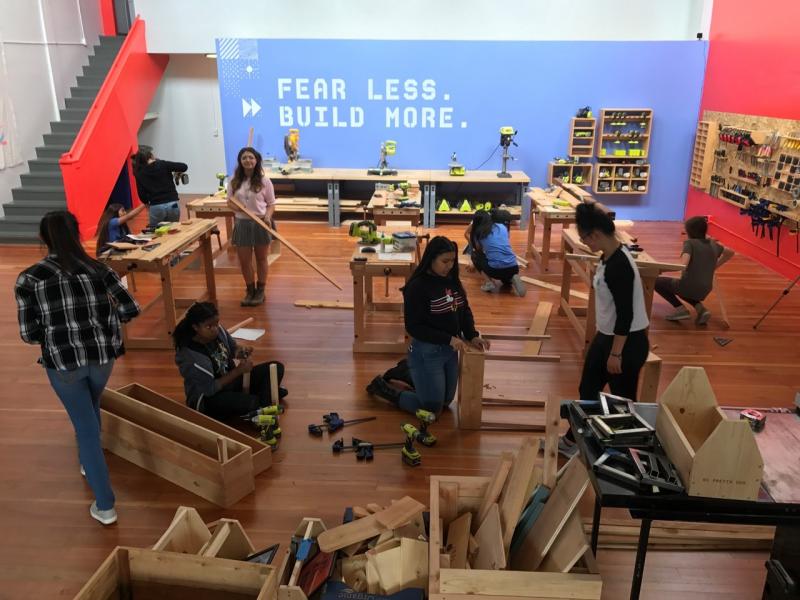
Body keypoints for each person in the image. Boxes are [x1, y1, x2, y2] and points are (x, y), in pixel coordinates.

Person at [15, 211, 141, 526]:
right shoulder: (101, 269)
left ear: (43, 239)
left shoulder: (29, 278)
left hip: (64, 363)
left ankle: (106, 505)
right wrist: (103, 321)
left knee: (85, 428)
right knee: (90, 410)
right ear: (76, 234)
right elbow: (130, 308)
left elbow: (29, 335)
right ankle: (88, 462)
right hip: (102, 358)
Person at [559, 202, 651, 456]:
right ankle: (573, 441)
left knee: (622, 404)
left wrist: (616, 354)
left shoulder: (620, 266)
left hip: (625, 344)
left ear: (596, 235)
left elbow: (626, 315)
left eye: (585, 239)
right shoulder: (609, 255)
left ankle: (628, 454)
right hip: (607, 338)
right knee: (588, 391)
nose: (585, 244)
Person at [367, 236, 490, 415]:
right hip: (426, 351)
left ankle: (408, 372)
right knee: (431, 408)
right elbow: (414, 327)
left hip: (449, 351)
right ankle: (384, 389)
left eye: (452, 260)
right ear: (431, 259)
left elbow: (463, 310)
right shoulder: (417, 287)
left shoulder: (451, 279)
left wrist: (472, 335)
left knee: (446, 402)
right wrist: (448, 338)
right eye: (444, 261)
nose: (449, 266)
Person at [174, 302, 286, 419]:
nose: (215, 329)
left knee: (277, 367)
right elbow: (210, 389)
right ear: (195, 327)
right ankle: (263, 402)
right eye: (209, 327)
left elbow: (233, 349)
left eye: (216, 323)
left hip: (232, 383)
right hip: (211, 398)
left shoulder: (218, 331)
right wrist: (238, 371)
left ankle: (262, 406)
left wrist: (241, 350)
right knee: (252, 402)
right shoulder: (191, 357)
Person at [655, 216, 734, 325]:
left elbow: (683, 266)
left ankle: (680, 309)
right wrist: (714, 266)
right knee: (684, 288)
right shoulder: (713, 244)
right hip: (705, 289)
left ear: (689, 231)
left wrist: (660, 269)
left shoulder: (690, 244)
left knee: (656, 281)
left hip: (688, 287)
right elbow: (730, 252)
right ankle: (701, 309)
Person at [226, 147, 277, 307]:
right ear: (240, 161)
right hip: (242, 224)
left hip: (261, 223)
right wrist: (239, 209)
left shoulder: (264, 181)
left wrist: (268, 216)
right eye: (244, 158)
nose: (248, 160)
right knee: (244, 261)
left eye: (251, 157)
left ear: (256, 160)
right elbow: (229, 201)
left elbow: (271, 204)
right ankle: (250, 290)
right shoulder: (234, 180)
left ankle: (261, 290)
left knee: (261, 259)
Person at [466, 210, 526, 296]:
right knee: (505, 279)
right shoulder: (502, 227)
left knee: (476, 255)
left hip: (495, 271)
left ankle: (489, 282)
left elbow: (478, 249)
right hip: (514, 267)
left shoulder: (479, 232)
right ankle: (511, 277)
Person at [131, 145, 188, 228]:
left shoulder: (139, 173)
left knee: (156, 233)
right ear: (150, 156)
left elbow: (141, 194)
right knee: (173, 231)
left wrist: (147, 203)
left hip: (156, 206)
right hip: (172, 204)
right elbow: (184, 167)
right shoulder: (162, 164)